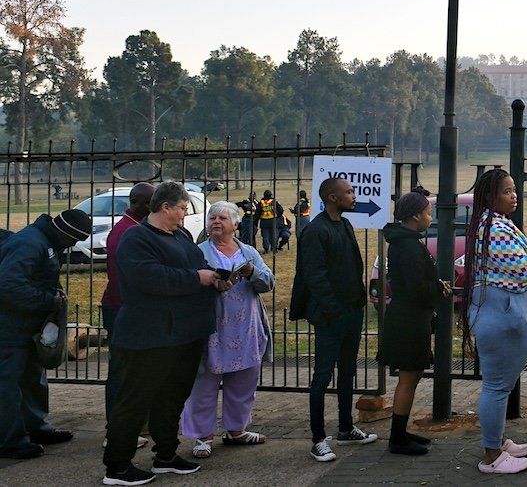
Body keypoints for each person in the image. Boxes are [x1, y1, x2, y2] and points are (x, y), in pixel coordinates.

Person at [103, 182, 228, 486]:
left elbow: (196, 266)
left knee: (172, 396)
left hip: (184, 333)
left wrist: (215, 277)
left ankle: (166, 454)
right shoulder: (137, 238)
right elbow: (149, 277)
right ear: (165, 207)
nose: (186, 215)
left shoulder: (181, 235)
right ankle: (117, 466)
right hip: (149, 334)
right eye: (183, 208)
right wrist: (196, 278)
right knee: (135, 399)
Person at [289, 177, 378, 462]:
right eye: (349, 192)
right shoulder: (316, 231)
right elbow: (315, 276)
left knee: (348, 371)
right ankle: (318, 438)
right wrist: (333, 310)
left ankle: (345, 427)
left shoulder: (346, 225)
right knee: (322, 376)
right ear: (332, 197)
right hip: (331, 316)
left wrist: (356, 305)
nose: (354, 196)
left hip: (352, 311)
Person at [181, 202, 274, 459]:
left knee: (244, 380)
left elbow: (268, 282)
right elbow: (187, 283)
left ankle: (237, 430)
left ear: (235, 224)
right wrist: (210, 282)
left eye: (222, 218)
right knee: (205, 382)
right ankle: (202, 436)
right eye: (212, 218)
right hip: (212, 328)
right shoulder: (197, 252)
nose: (216, 222)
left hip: (245, 328)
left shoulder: (249, 252)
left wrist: (252, 271)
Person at [461, 168, 527, 474]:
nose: (513, 195)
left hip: (502, 311)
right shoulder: (493, 229)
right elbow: (523, 270)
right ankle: (491, 456)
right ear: (491, 197)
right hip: (501, 313)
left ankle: (499, 441)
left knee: (500, 385)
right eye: (506, 191)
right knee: (496, 386)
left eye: (514, 190)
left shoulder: (495, 224)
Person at [0, 209, 91, 460]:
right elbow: (8, 285)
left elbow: (41, 277)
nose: (74, 245)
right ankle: (10, 441)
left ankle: (35, 429)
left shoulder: (47, 241)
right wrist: (48, 301)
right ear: (65, 233)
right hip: (10, 327)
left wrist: (55, 291)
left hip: (29, 325)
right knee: (7, 385)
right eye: (74, 239)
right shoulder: (30, 243)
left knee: (33, 379)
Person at [378, 191, 452, 456]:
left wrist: (433, 285)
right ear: (415, 216)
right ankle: (397, 439)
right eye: (427, 212)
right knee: (408, 379)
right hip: (408, 320)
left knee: (413, 376)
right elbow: (415, 288)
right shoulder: (407, 246)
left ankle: (401, 431)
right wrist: (437, 289)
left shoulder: (407, 242)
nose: (430, 217)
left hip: (412, 317)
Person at [101, 182, 155, 451]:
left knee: (134, 369)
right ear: (141, 204)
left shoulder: (129, 227)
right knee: (122, 371)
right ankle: (116, 430)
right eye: (153, 203)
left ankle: (132, 423)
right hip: (122, 309)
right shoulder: (128, 232)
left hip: (123, 307)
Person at [256, 190, 285, 254]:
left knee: (265, 236)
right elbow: (281, 210)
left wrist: (256, 221)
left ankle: (266, 249)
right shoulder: (274, 202)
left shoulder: (261, 203)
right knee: (274, 235)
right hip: (273, 221)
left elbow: (257, 213)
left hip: (264, 222)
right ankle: (274, 248)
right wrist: (277, 216)